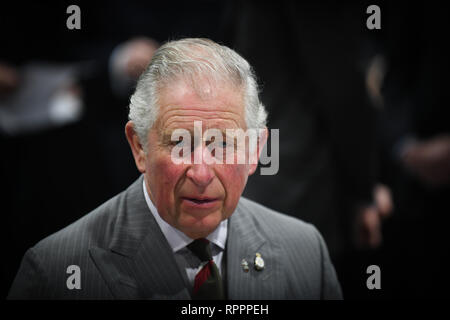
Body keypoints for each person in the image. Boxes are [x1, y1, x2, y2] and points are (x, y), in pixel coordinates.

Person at [8, 38, 342, 300]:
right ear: (139, 146)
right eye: (180, 144)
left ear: (256, 150)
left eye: (222, 145)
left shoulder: (306, 252)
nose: (200, 172)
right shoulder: (54, 272)